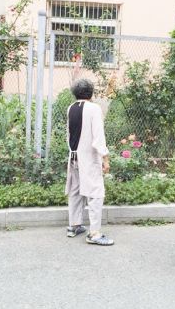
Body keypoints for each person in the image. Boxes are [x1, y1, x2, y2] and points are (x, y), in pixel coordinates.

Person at [65, 78, 114, 246]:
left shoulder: (71, 108)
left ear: (75, 93)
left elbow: (69, 134)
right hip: (88, 157)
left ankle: (74, 225)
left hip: (73, 157)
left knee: (76, 191)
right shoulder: (94, 109)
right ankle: (94, 233)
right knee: (95, 193)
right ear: (91, 93)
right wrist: (105, 157)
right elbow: (98, 136)